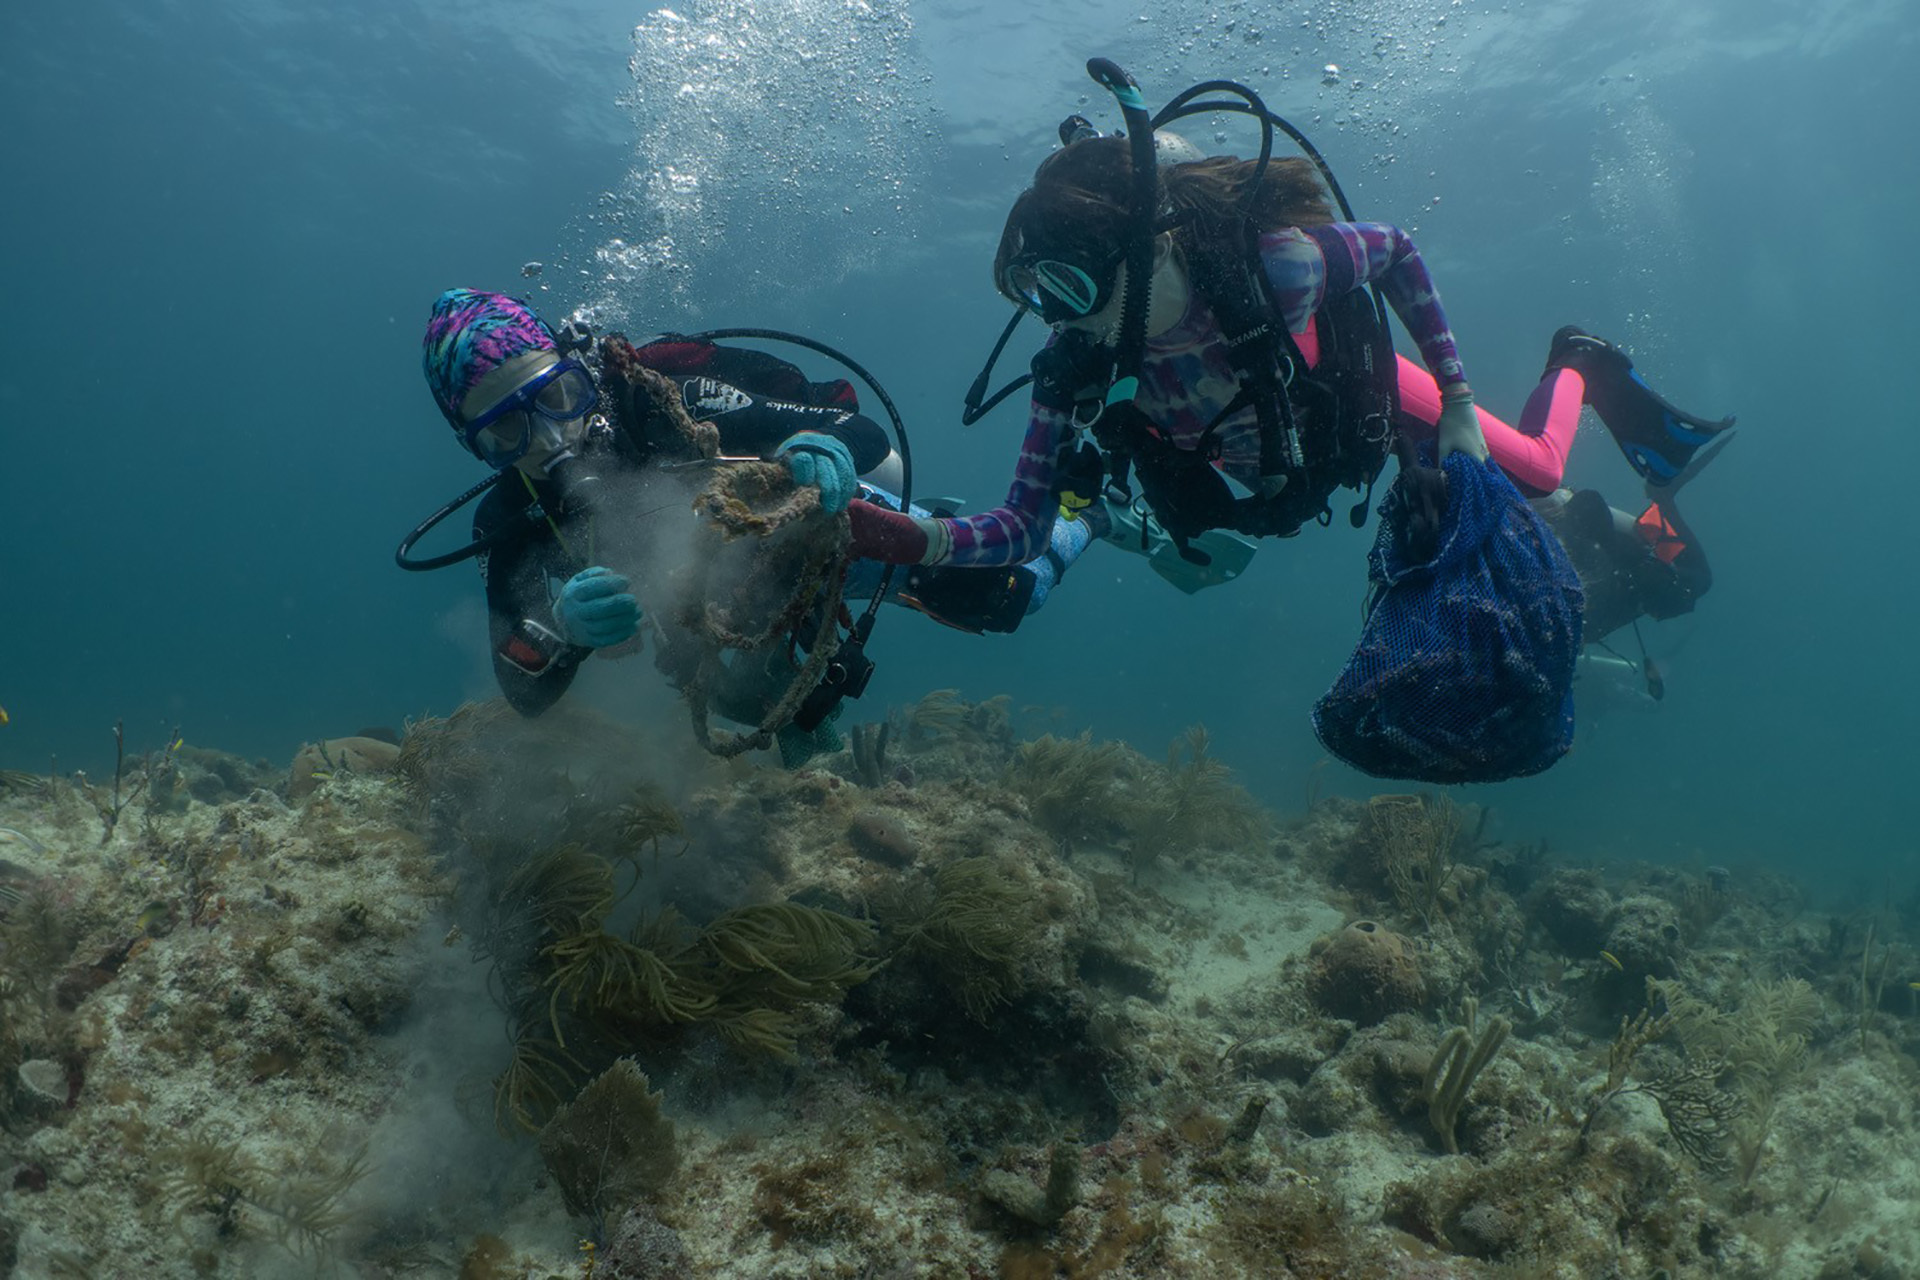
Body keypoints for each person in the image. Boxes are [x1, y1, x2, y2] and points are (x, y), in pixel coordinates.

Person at [844, 134, 1731, 574]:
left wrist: (1458, 403)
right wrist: (903, 536)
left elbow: (1394, 248)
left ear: (1148, 246)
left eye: (1071, 290)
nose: (1060, 321)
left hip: (1359, 391)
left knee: (1537, 471)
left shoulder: (1277, 268)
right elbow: (1018, 529)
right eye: (1037, 298)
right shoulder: (1074, 361)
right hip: (1284, 447)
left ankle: (1576, 361)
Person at [417, 289, 1098, 755]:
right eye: (506, 432)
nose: (551, 440)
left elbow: (856, 430)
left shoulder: (667, 402)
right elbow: (522, 691)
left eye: (559, 396)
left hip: (823, 538)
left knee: (1008, 596)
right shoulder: (507, 518)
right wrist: (561, 631)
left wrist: (815, 446)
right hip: (719, 613)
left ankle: (1088, 519)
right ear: (472, 444)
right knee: (748, 705)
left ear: (578, 371)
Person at [1539, 430, 1731, 700]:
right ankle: (1661, 500)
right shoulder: (1630, 569)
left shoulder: (1596, 610)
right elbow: (1588, 506)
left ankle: (1661, 501)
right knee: (1694, 581)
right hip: (1618, 564)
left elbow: (1587, 507)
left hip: (1610, 569)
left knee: (1689, 582)